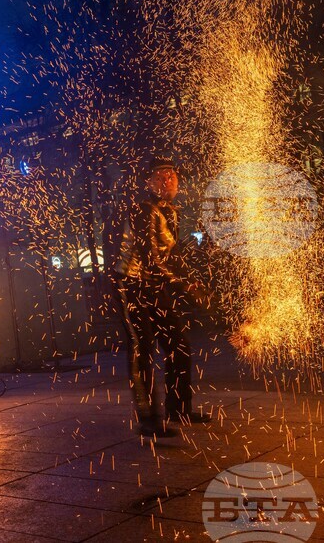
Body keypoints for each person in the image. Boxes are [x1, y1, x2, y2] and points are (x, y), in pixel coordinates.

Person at [113, 160, 211, 437]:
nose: (169, 181)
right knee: (141, 347)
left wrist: (190, 280)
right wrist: (185, 287)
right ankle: (148, 419)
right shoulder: (143, 209)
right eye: (161, 177)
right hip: (129, 284)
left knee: (178, 344)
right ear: (149, 183)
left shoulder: (171, 212)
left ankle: (179, 408)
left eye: (172, 176)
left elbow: (171, 257)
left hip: (153, 285)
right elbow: (149, 258)